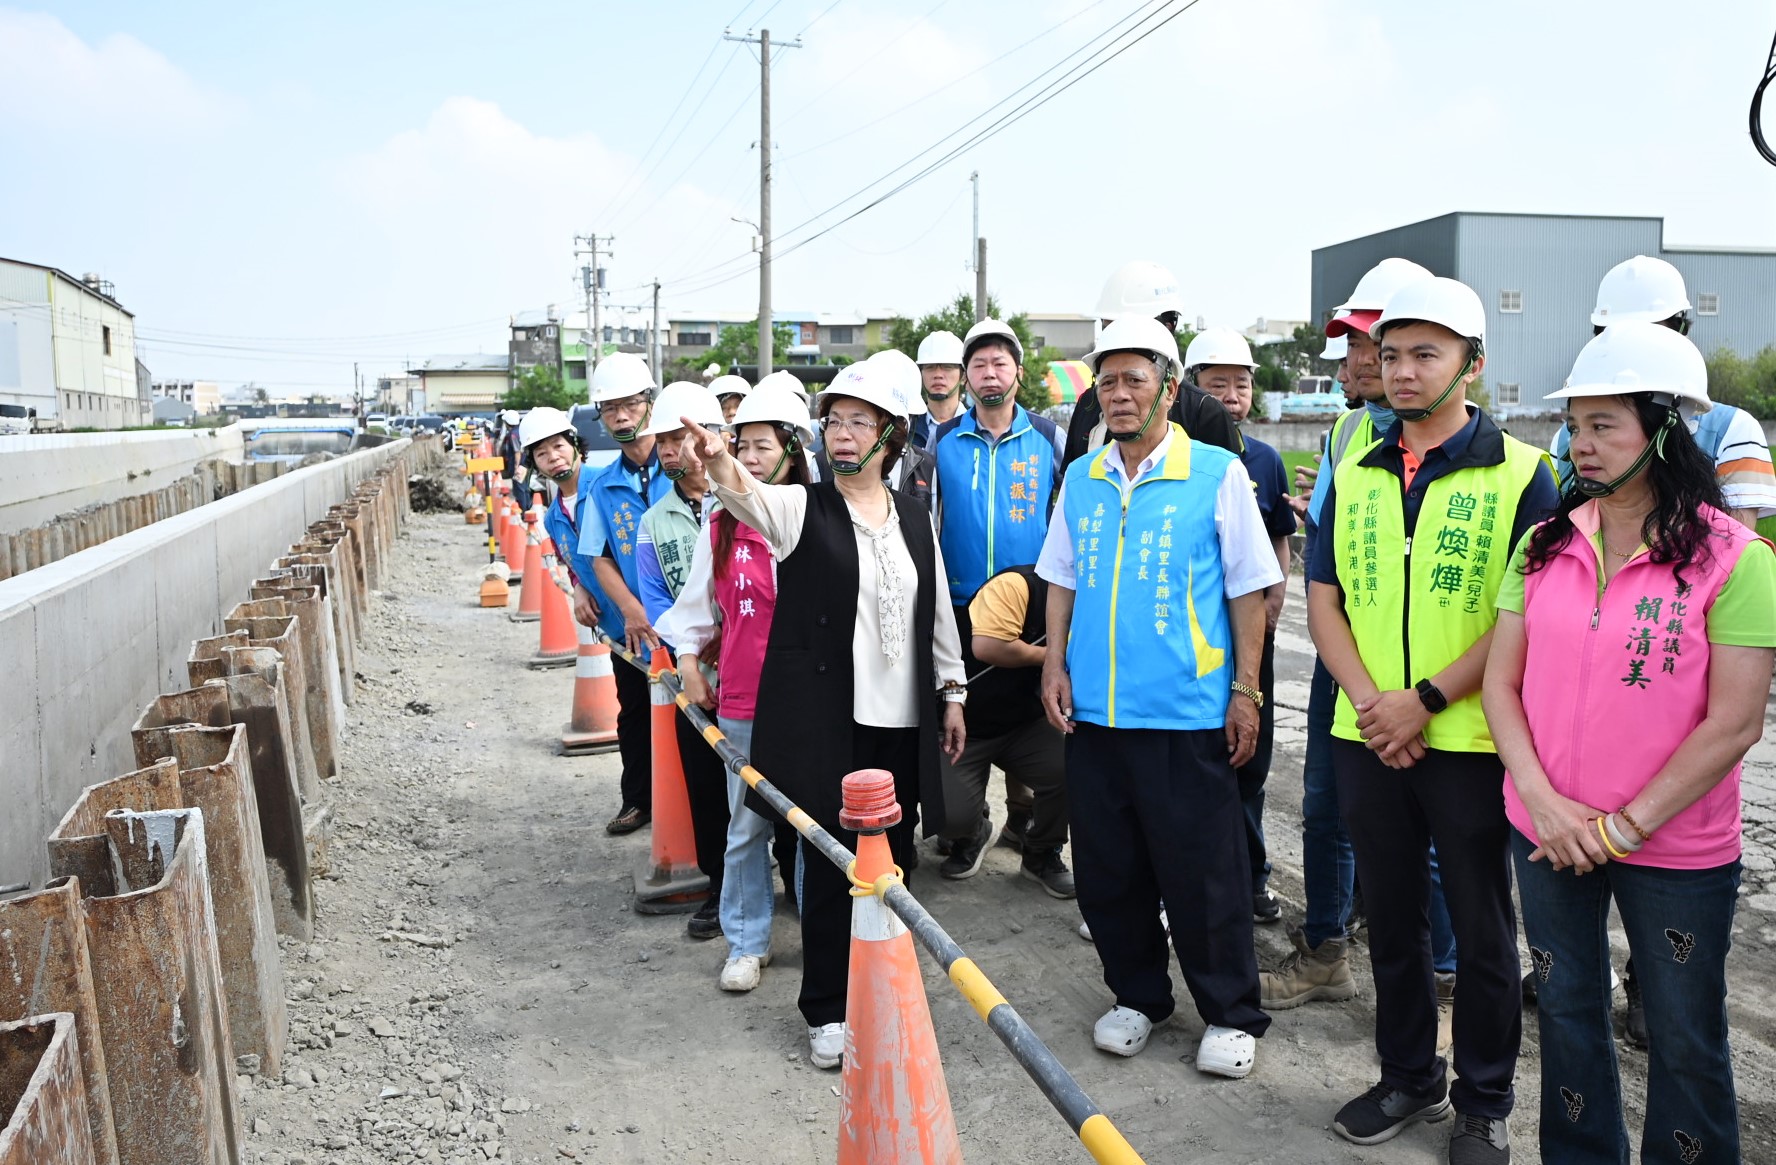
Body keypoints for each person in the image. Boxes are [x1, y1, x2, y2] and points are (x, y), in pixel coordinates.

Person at [1484, 322, 1775, 1164]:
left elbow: (1736, 720)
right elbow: (1502, 686)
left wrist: (1621, 826)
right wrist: (1544, 802)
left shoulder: (1735, 560)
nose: (1581, 444)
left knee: (1684, 1032)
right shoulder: (1544, 546)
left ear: (1665, 427)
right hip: (1545, 828)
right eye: (1574, 425)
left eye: (1604, 424)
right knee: (1569, 1015)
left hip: (1675, 846)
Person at [1307, 276, 1560, 1162]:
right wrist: (1374, 703)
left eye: (1426, 354)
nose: (1401, 371)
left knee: (1484, 928)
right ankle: (1407, 1074)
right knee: (1394, 918)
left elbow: (1523, 615)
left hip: (1470, 741)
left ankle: (1483, 1100)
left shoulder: (1527, 474)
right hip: (1367, 733)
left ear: (1473, 364)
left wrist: (1427, 699)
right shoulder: (1356, 467)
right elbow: (1324, 596)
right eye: (1392, 352)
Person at [686, 360, 967, 1070]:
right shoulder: (801, 507)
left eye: (858, 422)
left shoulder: (911, 514)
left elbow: (934, 607)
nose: (843, 435)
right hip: (832, 721)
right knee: (831, 864)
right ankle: (828, 1009)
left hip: (902, 721)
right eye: (834, 420)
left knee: (895, 865)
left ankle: (886, 992)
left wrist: (953, 689)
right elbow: (746, 495)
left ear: (890, 435)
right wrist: (720, 460)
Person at [1037, 314, 1280, 1080]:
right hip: (1098, 716)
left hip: (1186, 713)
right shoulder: (1082, 475)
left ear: (1169, 389)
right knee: (1111, 869)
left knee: (1204, 871)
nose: (1117, 393)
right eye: (1106, 380)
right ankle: (1138, 995)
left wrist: (1246, 689)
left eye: (1133, 378)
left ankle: (1231, 1011)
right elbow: (1061, 577)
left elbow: (1249, 591)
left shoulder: (1215, 473)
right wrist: (1053, 664)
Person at [1266, 257, 1436, 1013]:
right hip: (1344, 659)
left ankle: (1442, 976)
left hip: (1426, 668)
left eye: (1370, 344)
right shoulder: (1344, 433)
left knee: (1431, 827)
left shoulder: (1454, 446)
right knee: (1328, 804)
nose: (1356, 361)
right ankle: (1327, 946)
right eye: (1357, 348)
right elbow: (1329, 564)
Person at [658, 383, 815, 992]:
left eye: (762, 446)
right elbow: (697, 607)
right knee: (746, 827)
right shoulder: (721, 521)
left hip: (808, 702)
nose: (749, 458)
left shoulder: (816, 512)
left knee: (808, 825)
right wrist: (690, 661)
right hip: (745, 699)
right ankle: (747, 942)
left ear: (793, 451)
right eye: (741, 445)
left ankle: (815, 934)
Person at [1186, 327, 1296, 924]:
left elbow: (1278, 539)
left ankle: (1251, 878)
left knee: (1248, 766)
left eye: (1242, 383)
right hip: (1197, 645)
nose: (1231, 395)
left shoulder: (1265, 460)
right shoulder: (1182, 462)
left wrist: (1273, 601)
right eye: (1217, 383)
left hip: (1254, 639)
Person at [1551, 255, 1776, 529]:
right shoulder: (1565, 440)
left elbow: (1732, 549)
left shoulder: (1732, 430)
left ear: (1680, 331)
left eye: (1648, 333)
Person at [634, 382, 731, 942]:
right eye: (663, 441)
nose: (669, 451)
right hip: (696, 675)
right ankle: (721, 887)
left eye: (678, 438)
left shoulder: (746, 495)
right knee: (705, 783)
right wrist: (692, 652)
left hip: (755, 666)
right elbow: (657, 604)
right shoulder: (655, 523)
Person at [577, 353, 673, 835]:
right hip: (633, 629)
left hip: (687, 624)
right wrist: (631, 610)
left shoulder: (679, 466)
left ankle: (699, 812)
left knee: (699, 719)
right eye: (609, 408)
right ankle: (638, 800)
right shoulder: (603, 484)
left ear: (650, 404)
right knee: (634, 714)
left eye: (629, 405)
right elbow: (599, 557)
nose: (620, 416)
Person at [1061, 260, 1241, 469]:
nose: (1119, 395)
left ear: (1168, 326)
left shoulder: (1203, 412)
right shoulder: (1089, 403)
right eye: (1110, 327)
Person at [522, 406, 609, 634]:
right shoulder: (553, 518)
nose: (553, 457)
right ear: (535, 466)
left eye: (559, 446)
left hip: (648, 623)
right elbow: (573, 566)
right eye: (541, 454)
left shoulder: (608, 484)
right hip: (614, 631)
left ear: (576, 446)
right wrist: (579, 587)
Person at [911, 329, 966, 449]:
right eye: (930, 367)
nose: (938, 374)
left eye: (947, 367)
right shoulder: (907, 428)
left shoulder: (976, 426)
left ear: (963, 376)